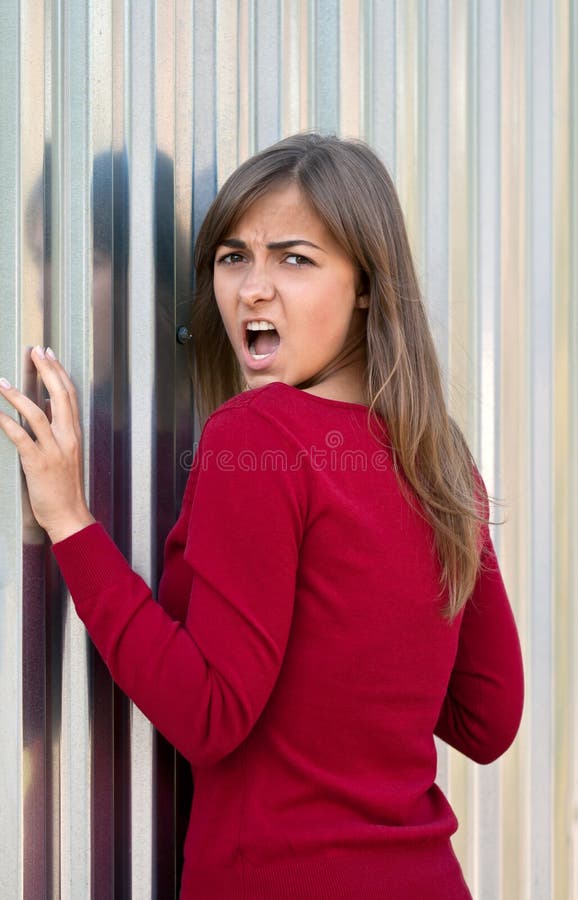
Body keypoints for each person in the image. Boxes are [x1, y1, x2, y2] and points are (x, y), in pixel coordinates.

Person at [0, 132, 524, 899]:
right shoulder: (436, 456)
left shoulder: (259, 435)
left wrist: (70, 521)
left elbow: (210, 714)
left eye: (295, 258)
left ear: (367, 285)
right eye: (233, 256)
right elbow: (490, 716)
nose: (252, 287)